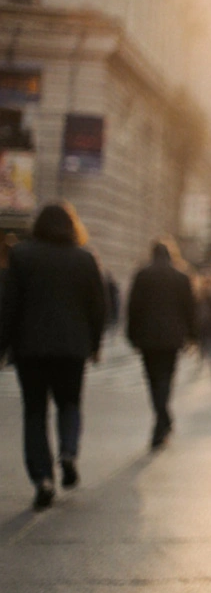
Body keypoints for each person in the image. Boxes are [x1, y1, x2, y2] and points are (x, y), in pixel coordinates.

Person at [0, 203, 105, 510]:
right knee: (69, 403)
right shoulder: (85, 259)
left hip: (30, 349)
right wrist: (95, 344)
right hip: (72, 349)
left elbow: (8, 306)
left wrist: (2, 345)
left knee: (34, 413)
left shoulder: (21, 256)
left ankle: (43, 478)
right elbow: (98, 308)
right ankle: (68, 452)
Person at [126, 239, 196, 450]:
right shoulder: (181, 278)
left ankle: (162, 420)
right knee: (166, 378)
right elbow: (190, 309)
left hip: (147, 338)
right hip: (172, 338)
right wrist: (192, 336)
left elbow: (133, 308)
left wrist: (132, 335)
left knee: (153, 379)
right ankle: (163, 419)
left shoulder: (142, 275)